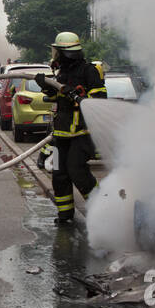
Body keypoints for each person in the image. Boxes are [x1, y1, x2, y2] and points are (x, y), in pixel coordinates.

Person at [35, 32, 107, 224]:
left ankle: (102, 210)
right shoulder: (62, 73)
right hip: (61, 135)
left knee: (77, 171)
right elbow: (53, 98)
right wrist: (45, 86)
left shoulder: (89, 71)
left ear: (65, 52)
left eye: (57, 51)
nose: (55, 55)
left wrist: (75, 95)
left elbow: (99, 100)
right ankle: (65, 214)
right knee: (59, 174)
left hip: (82, 134)